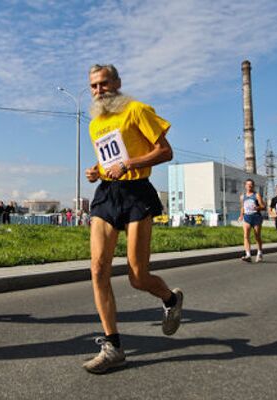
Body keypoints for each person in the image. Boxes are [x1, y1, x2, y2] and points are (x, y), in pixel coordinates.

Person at [83, 64, 182, 374]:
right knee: (98, 268)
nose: (99, 91)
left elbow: (165, 152)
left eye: (104, 84)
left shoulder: (137, 110)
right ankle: (113, 346)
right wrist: (95, 171)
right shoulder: (96, 123)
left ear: (117, 83)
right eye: (94, 86)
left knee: (137, 276)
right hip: (107, 194)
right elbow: (107, 163)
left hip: (137, 192)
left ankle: (170, 298)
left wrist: (130, 164)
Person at [238, 179, 265, 262]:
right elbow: (242, 207)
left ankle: (259, 253)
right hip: (247, 217)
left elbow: (263, 206)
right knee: (246, 236)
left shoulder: (256, 195)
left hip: (256, 217)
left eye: (251, 184)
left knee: (257, 236)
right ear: (245, 186)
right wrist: (241, 215)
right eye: (248, 184)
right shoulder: (242, 196)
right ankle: (248, 255)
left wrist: (258, 207)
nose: (249, 186)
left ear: (253, 186)